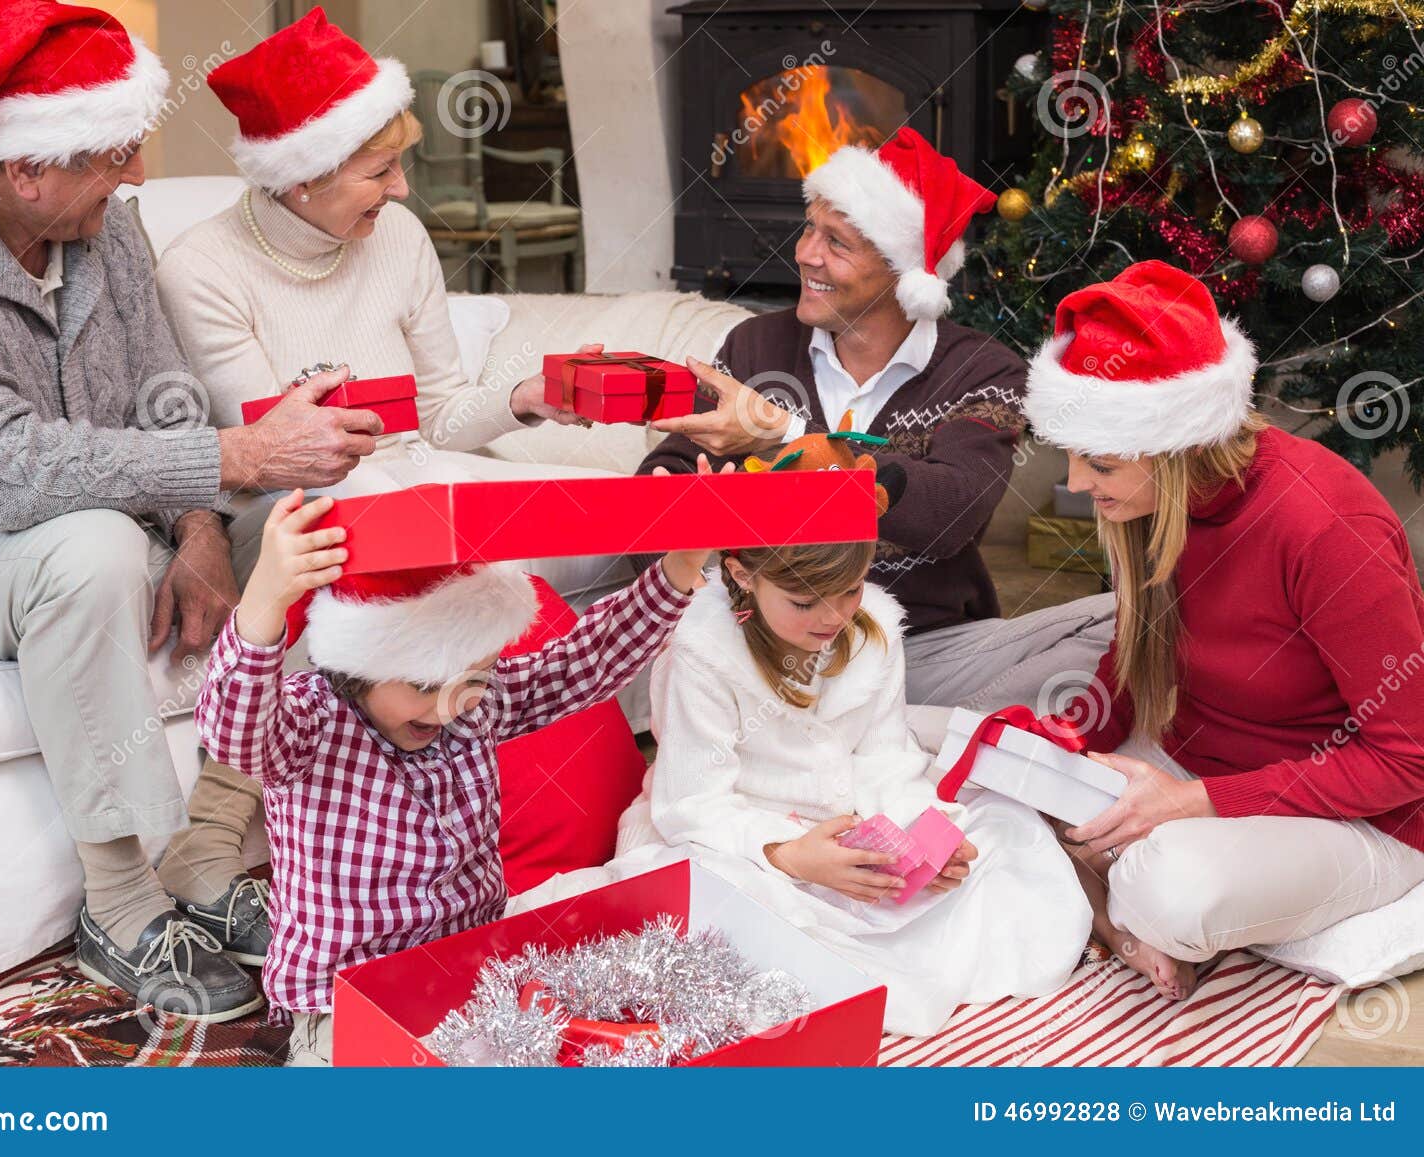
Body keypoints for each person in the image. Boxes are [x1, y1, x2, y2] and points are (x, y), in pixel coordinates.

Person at [0, 0, 371, 1020]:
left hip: (68, 520)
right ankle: (120, 902)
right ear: (26, 168)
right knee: (92, 549)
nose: (139, 178)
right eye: (117, 154)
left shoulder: (103, 231)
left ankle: (211, 855)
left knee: (303, 527)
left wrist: (206, 527)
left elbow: (164, 391)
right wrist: (234, 453)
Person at [194, 472, 721, 1065]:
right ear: (357, 666)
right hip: (345, 995)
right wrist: (264, 603)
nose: (452, 704)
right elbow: (234, 731)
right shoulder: (309, 726)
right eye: (422, 685)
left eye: (474, 677)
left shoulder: (479, 705)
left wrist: (681, 564)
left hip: (472, 968)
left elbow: (586, 662)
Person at [515, 521, 1089, 1035]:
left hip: (851, 838)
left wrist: (924, 835)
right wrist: (789, 856)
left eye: (849, 591)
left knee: (1009, 834)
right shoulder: (698, 652)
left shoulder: (873, 633)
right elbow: (691, 803)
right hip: (729, 837)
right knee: (722, 919)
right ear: (742, 576)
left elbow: (887, 758)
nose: (833, 617)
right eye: (803, 601)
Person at [1024, 260, 1424, 998]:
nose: (1077, 484)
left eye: (1099, 462)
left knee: (1169, 888)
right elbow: (1130, 662)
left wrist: (1190, 804)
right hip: (1195, 775)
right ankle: (1118, 916)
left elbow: (1408, 760)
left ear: (1175, 446)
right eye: (1071, 456)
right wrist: (1062, 750)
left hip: (1358, 815)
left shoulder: (1326, 525)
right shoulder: (1151, 505)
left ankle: (1116, 901)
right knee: (995, 779)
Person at [637, 128, 1114, 711]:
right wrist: (699, 538)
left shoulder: (983, 372)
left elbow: (953, 511)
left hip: (916, 649)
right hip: (761, 645)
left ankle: (861, 727)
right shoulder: (755, 346)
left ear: (901, 271)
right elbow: (665, 482)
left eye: (837, 241)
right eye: (810, 227)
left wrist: (786, 436)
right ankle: (862, 731)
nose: (806, 253)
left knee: (1112, 622)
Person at [155, 9, 623, 595]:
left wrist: (522, 397)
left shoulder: (399, 234)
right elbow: (283, 457)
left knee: (619, 514)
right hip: (287, 508)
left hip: (415, 473)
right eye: (380, 171)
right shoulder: (201, 269)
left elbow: (438, 418)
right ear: (305, 176)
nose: (402, 188)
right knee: (431, 523)